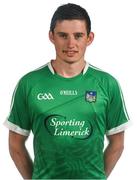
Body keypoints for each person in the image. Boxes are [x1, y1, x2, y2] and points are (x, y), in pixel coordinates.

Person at [4, 3, 130, 180]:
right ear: (51, 36)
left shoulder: (107, 84)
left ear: (89, 38)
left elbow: (117, 143)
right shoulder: (29, 83)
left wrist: (98, 178)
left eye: (78, 36)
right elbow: (15, 145)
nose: (71, 44)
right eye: (63, 35)